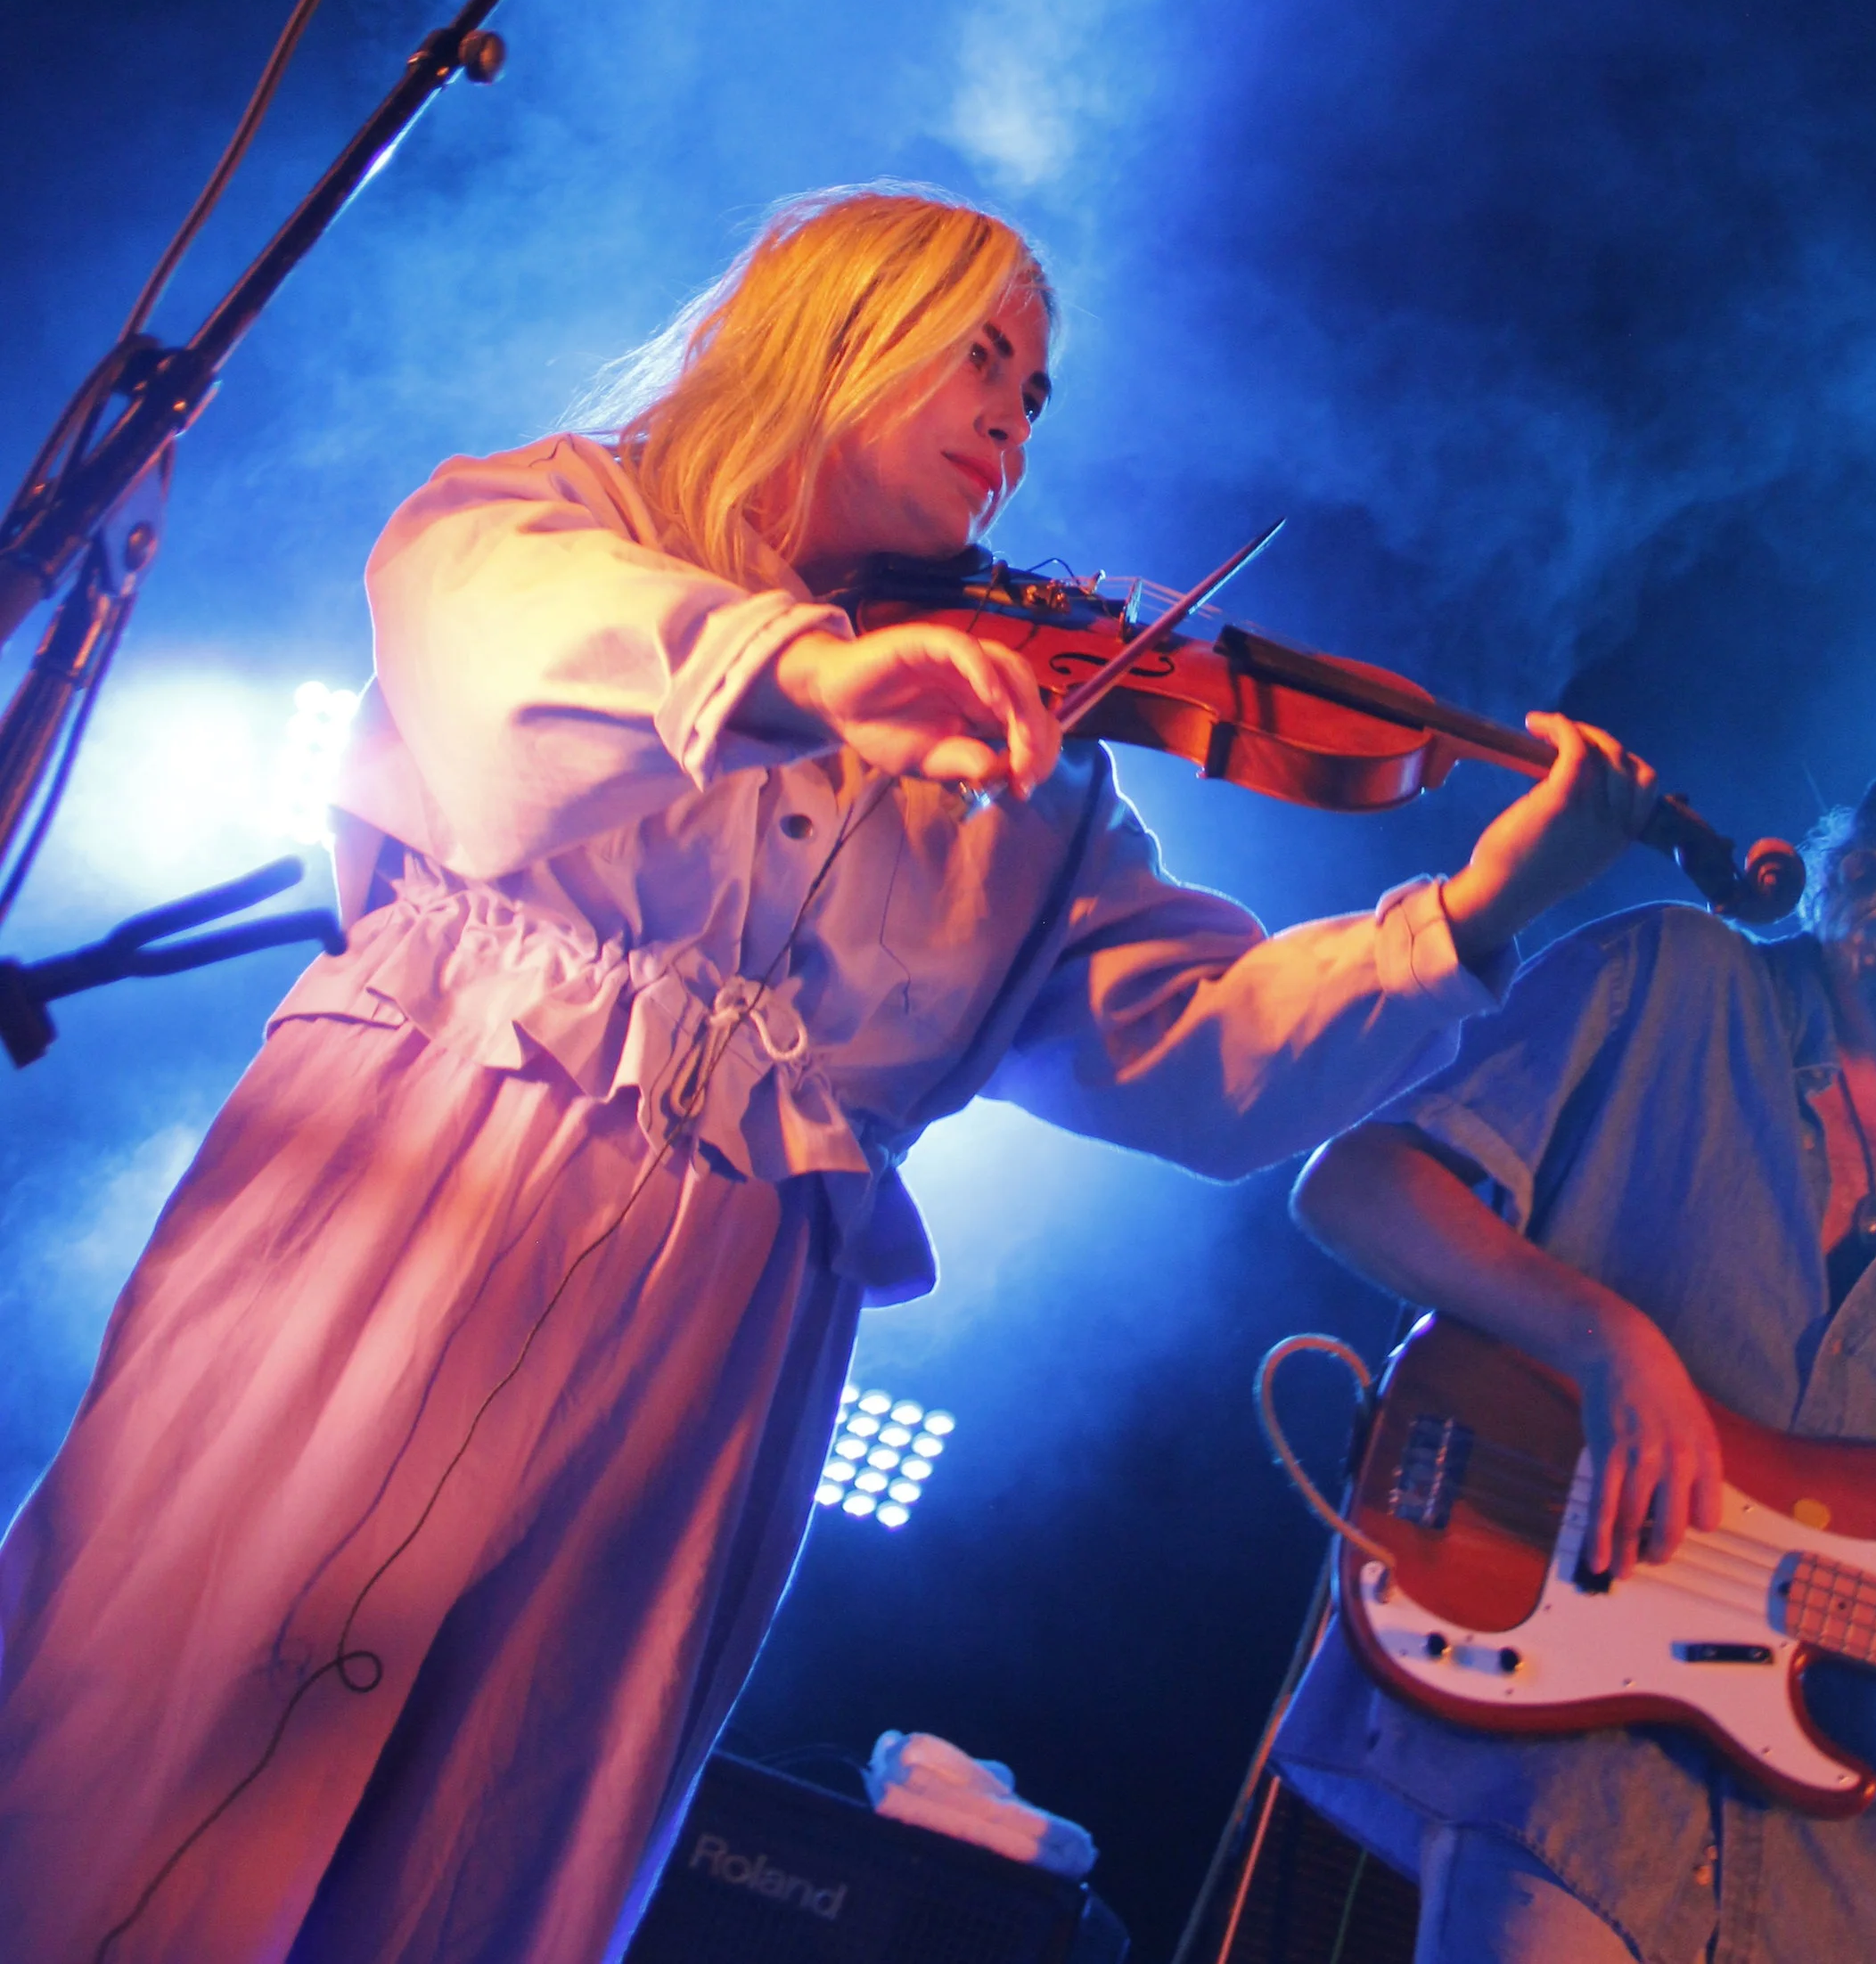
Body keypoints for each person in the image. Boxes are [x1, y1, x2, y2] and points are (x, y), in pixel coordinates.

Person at [0, 184, 1660, 1964]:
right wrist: (813, 672)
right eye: (982, 358)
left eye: (1037, 397)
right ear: (825, 327)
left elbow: (1197, 1062)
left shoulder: (1019, 768)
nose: (1015, 425)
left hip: (723, 1320)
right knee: (155, 1724)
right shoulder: (551, 517)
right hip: (417, 1185)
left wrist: (1475, 915)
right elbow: (500, 655)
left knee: (497, 1837)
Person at [1274, 678, 1876, 1964]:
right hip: (1562, 1794)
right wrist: (1602, 1337)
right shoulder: (1672, 979)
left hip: (1826, 1896)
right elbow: (1354, 1182)